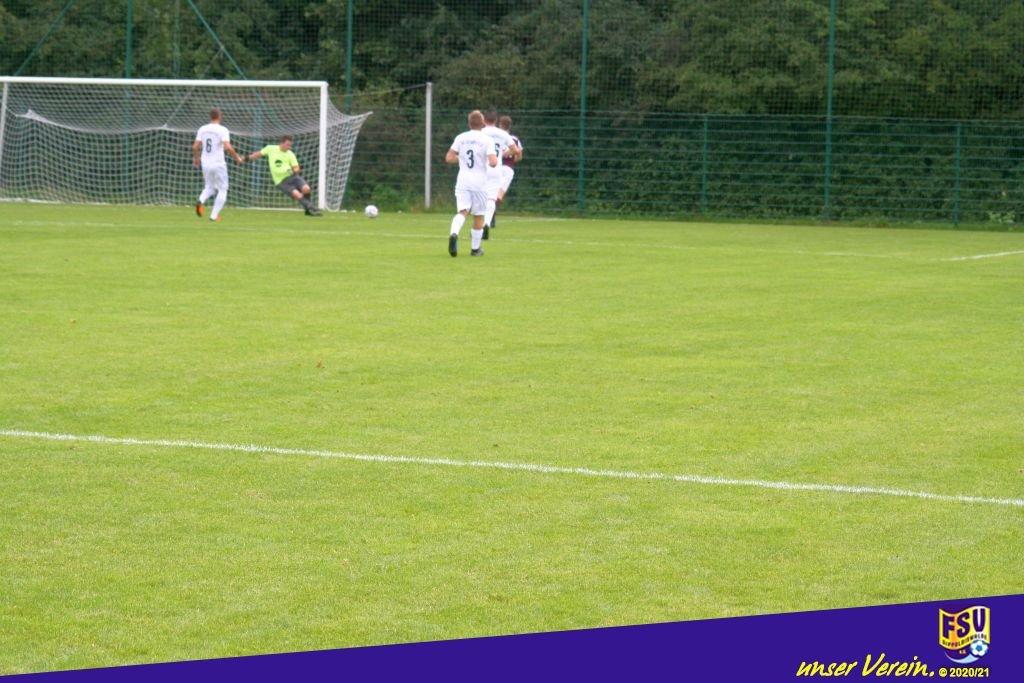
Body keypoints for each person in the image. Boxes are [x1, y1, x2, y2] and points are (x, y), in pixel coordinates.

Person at [445, 110, 497, 257]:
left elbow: (449, 158)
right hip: (479, 183)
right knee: (479, 215)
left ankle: (454, 234)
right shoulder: (487, 139)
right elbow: (493, 162)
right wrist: (489, 161)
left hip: (463, 181)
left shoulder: (461, 137)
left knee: (462, 211)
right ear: (483, 123)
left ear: (469, 123)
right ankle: (475, 249)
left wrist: (460, 159)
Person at [248, 135, 321, 216]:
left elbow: (296, 168)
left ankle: (308, 210)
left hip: (293, 177)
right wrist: (245, 159)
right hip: (281, 181)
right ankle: (311, 207)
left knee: (306, 189)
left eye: (290, 145)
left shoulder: (290, 154)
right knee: (297, 194)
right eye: (287, 145)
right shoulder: (270, 148)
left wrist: (294, 170)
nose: (289, 147)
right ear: (281, 143)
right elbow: (257, 154)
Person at [192, 108, 244, 222]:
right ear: (220, 116)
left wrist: (196, 159)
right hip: (218, 163)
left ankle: (200, 200)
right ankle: (213, 216)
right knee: (223, 189)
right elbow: (228, 147)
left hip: (205, 163)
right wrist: (237, 158)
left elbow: (195, 147)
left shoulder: (203, 129)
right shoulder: (222, 130)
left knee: (209, 187)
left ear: (210, 116)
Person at [480, 110, 521, 238]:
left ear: (483, 120)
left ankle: (477, 228)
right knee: (492, 198)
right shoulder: (502, 134)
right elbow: (516, 151)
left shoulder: (480, 133)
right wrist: (502, 155)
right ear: (496, 120)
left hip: (482, 169)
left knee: (481, 198)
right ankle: (487, 223)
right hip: (497, 169)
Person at [497, 114, 523, 222]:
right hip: (508, 168)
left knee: (491, 192)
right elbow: (519, 157)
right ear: (510, 126)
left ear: (500, 125)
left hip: (495, 167)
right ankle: (493, 210)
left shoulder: (495, 138)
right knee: (500, 194)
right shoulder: (515, 139)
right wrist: (511, 160)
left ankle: (489, 215)